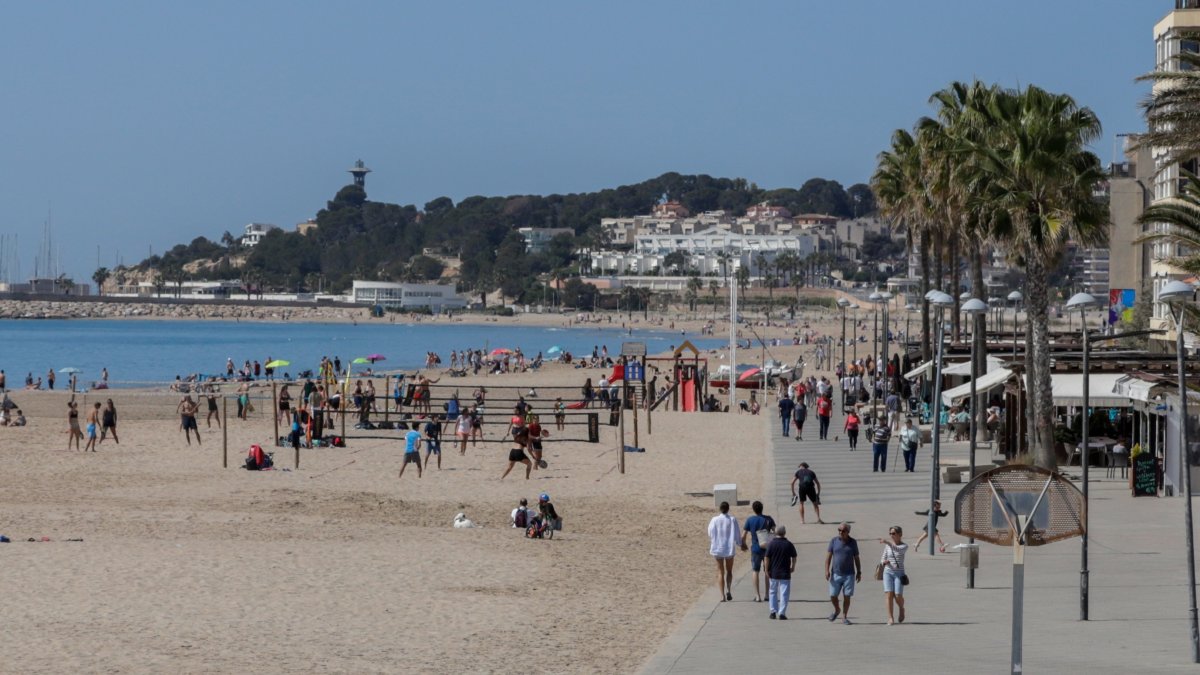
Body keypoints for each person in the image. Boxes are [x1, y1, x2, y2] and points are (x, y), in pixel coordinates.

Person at [825, 522, 862, 625]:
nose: (840, 532)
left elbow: (856, 558)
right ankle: (837, 609)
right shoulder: (834, 541)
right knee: (833, 595)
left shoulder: (853, 542)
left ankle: (844, 617)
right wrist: (826, 570)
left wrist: (859, 572)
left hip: (849, 574)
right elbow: (828, 557)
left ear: (848, 532)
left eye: (843, 531)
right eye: (839, 530)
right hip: (835, 573)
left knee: (847, 596)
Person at [740, 501, 776, 602]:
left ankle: (757, 596)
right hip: (767, 548)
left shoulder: (750, 520)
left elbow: (743, 535)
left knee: (755, 571)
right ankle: (767, 595)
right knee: (767, 571)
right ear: (762, 508)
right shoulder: (769, 519)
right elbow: (775, 531)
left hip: (756, 548)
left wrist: (743, 544)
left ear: (753, 509)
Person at [708, 501, 744, 602]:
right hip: (729, 548)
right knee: (729, 571)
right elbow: (737, 533)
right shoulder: (732, 519)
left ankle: (722, 595)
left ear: (720, 509)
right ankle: (728, 589)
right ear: (728, 509)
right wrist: (740, 543)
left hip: (718, 548)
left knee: (720, 571)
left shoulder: (714, 519)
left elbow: (710, 533)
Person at [764, 525, 797, 621]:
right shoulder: (788, 544)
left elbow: (766, 557)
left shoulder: (771, 544)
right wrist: (793, 566)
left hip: (773, 571)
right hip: (785, 572)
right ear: (784, 533)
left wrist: (766, 569)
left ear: (775, 533)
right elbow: (794, 556)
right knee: (784, 593)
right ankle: (782, 613)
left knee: (772, 592)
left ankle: (773, 612)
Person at [878, 525, 909, 625]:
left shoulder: (904, 546)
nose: (891, 535)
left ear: (900, 534)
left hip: (899, 573)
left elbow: (897, 550)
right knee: (889, 595)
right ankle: (890, 618)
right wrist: (884, 562)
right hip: (888, 572)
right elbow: (882, 558)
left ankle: (901, 608)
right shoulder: (888, 546)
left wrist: (887, 542)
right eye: (890, 533)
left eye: (893, 533)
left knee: (898, 595)